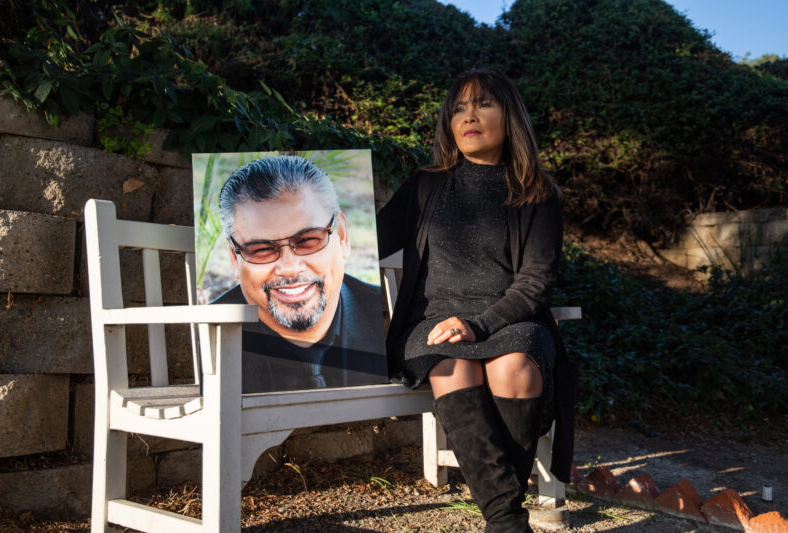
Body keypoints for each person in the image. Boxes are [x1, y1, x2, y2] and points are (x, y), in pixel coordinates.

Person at [377, 68, 576, 532]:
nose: (469, 116)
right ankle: (508, 521)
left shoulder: (536, 193)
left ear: (510, 117)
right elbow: (367, 240)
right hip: (434, 321)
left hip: (512, 320)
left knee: (515, 366)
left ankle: (502, 520)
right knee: (451, 365)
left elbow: (535, 281)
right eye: (459, 108)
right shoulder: (425, 185)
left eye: (483, 104)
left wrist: (480, 325)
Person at [213, 155, 386, 393]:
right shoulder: (211, 341)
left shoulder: (386, 315)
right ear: (234, 259)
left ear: (342, 237)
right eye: (261, 250)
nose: (290, 267)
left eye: (307, 240)